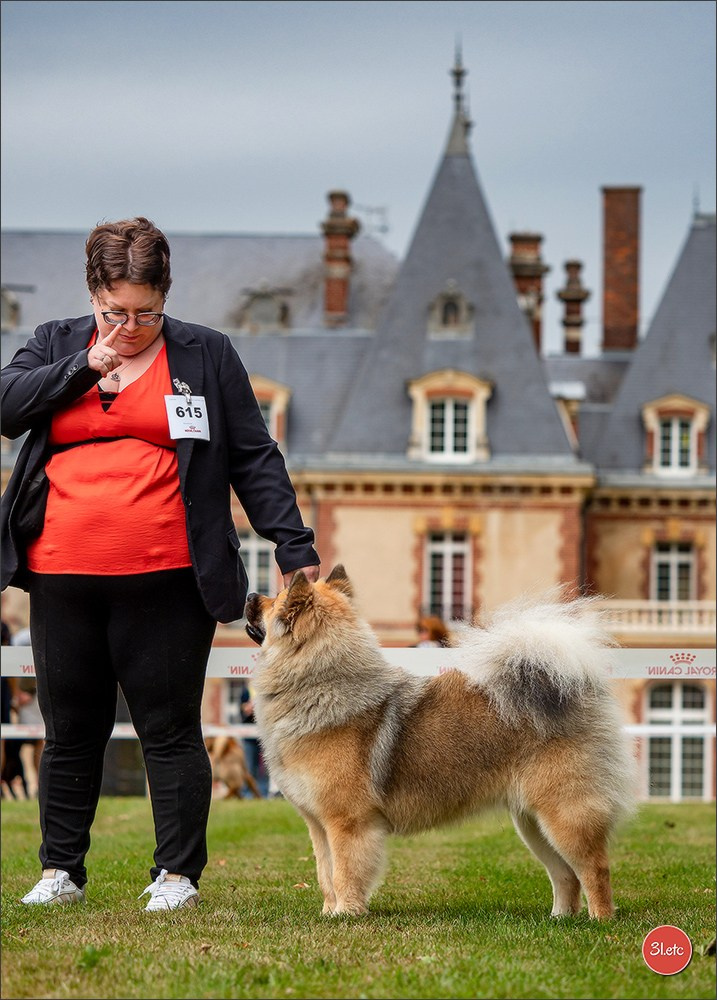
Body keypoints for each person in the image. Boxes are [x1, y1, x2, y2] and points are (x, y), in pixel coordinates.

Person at [0, 217, 320, 910]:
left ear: (165, 296)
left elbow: (253, 456)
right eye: (115, 312)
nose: (131, 327)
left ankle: (176, 875)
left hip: (170, 577)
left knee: (169, 730)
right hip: (62, 575)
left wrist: (293, 546)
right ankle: (60, 871)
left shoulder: (205, 353)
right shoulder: (56, 342)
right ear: (92, 295)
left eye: (147, 313)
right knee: (69, 730)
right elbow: (7, 407)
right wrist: (85, 365)